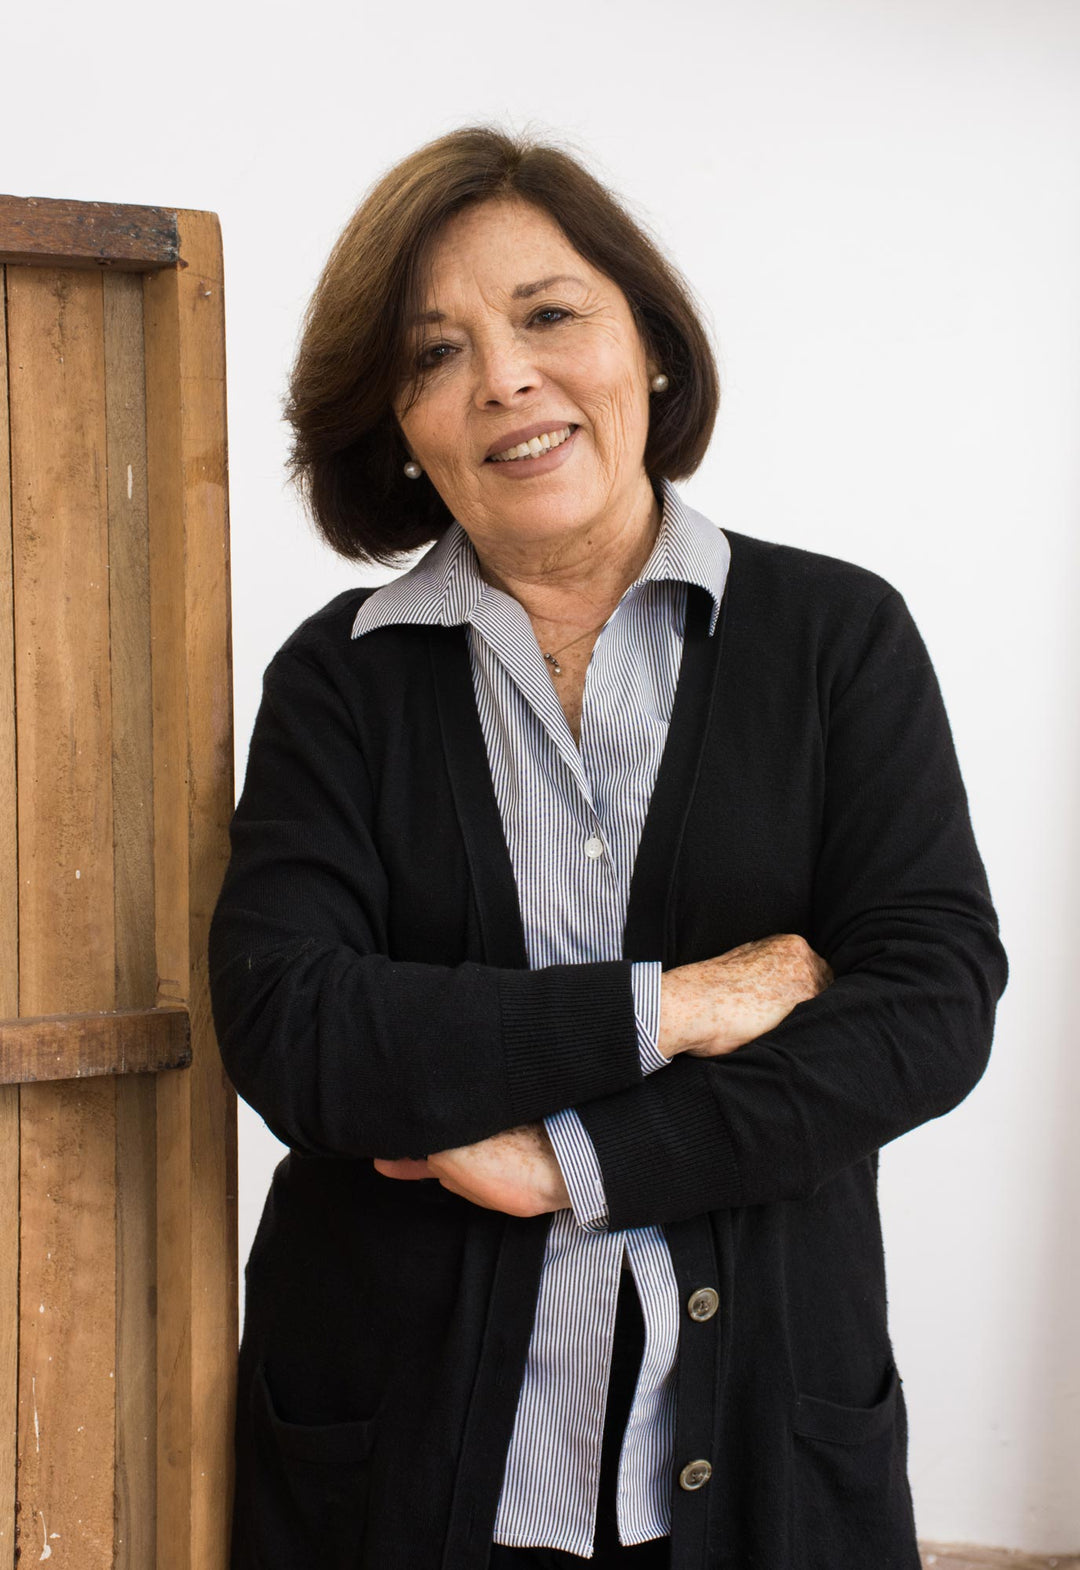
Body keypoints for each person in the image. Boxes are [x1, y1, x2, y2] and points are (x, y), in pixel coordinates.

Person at [208, 126, 1007, 1570]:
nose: (504, 376)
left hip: (761, 1453)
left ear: (649, 347)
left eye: (549, 314)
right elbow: (296, 1026)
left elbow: (931, 1007)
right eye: (434, 352)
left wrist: (578, 1157)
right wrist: (677, 1004)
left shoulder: (838, 641)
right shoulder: (339, 680)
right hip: (395, 1466)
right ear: (401, 425)